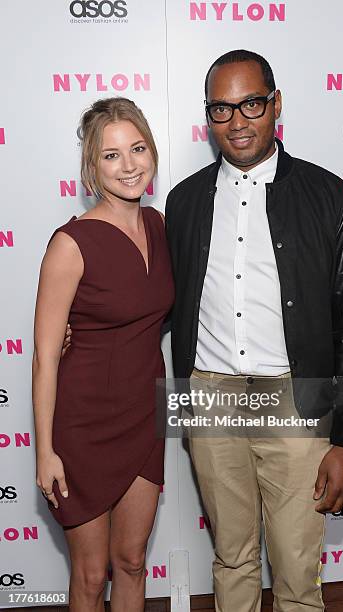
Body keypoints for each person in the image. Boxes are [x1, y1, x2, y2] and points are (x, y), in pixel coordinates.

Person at [165, 50, 343, 611]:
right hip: (211, 396)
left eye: (251, 104)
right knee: (231, 557)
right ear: (207, 117)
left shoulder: (329, 196)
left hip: (295, 398)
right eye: (222, 109)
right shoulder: (184, 202)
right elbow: (160, 300)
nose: (237, 122)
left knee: (294, 566)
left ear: (276, 104)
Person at [32, 97, 174, 612]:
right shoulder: (71, 244)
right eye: (111, 155)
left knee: (132, 561)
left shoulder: (161, 227)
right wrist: (45, 451)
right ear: (92, 167)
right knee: (91, 578)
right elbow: (46, 357)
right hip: (83, 429)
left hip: (145, 416)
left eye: (138, 149)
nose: (129, 164)